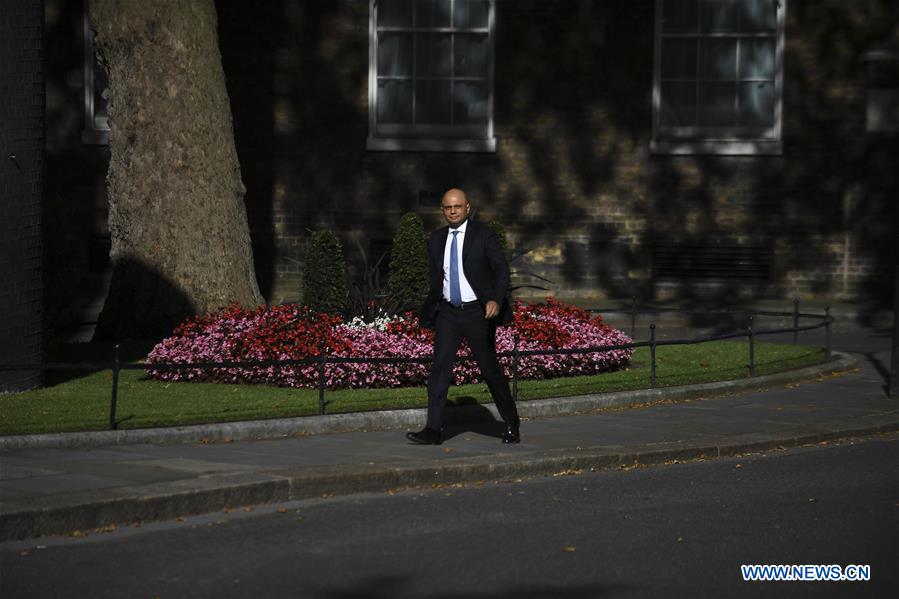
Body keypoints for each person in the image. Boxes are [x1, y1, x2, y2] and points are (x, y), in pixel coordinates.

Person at [406, 188, 521, 445]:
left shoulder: (483, 235)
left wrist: (494, 299)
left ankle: (511, 422)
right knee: (439, 369)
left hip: (477, 313)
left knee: (489, 370)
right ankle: (433, 430)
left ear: (467, 207)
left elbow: (501, 270)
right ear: (442, 210)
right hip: (447, 312)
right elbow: (437, 277)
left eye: (457, 206)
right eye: (448, 207)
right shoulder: (436, 239)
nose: (453, 211)